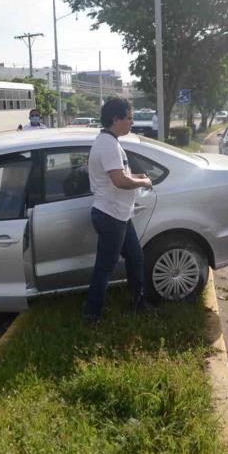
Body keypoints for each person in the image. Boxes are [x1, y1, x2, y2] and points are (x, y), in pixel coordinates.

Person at [84, 97, 153, 322]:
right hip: (111, 215)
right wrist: (143, 182)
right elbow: (119, 181)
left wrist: (136, 176)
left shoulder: (109, 142)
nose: (132, 123)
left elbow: (119, 175)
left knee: (135, 257)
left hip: (119, 214)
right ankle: (92, 315)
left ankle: (139, 303)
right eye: (129, 118)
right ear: (116, 119)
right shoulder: (108, 145)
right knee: (105, 267)